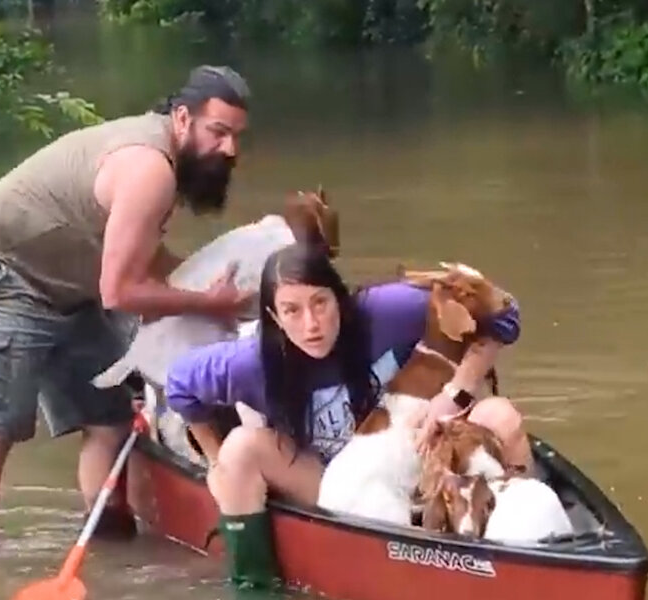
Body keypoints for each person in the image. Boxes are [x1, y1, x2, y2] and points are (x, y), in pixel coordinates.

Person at [0, 65, 256, 582]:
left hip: (69, 283)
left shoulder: (163, 161)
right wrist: (206, 304)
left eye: (236, 137)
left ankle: (109, 561)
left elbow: (144, 260)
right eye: (217, 132)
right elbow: (120, 292)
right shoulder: (150, 170)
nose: (229, 150)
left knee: (107, 418)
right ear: (181, 119)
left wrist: (215, 289)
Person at [162, 243, 528, 590]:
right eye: (292, 310)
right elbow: (179, 386)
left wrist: (456, 392)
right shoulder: (249, 363)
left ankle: (530, 546)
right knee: (238, 451)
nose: (311, 325)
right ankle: (255, 584)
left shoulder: (387, 312)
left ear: (340, 298)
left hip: (415, 452)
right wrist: (213, 462)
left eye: (320, 303)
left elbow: (503, 315)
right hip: (323, 479)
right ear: (274, 317)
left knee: (501, 416)